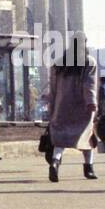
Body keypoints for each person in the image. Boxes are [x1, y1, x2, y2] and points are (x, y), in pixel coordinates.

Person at [44, 34, 99, 181]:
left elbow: (53, 88)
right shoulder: (89, 62)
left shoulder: (59, 63)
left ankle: (55, 163)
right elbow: (89, 84)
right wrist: (91, 103)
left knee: (60, 140)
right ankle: (89, 169)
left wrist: (52, 107)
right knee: (87, 138)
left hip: (62, 107)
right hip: (82, 107)